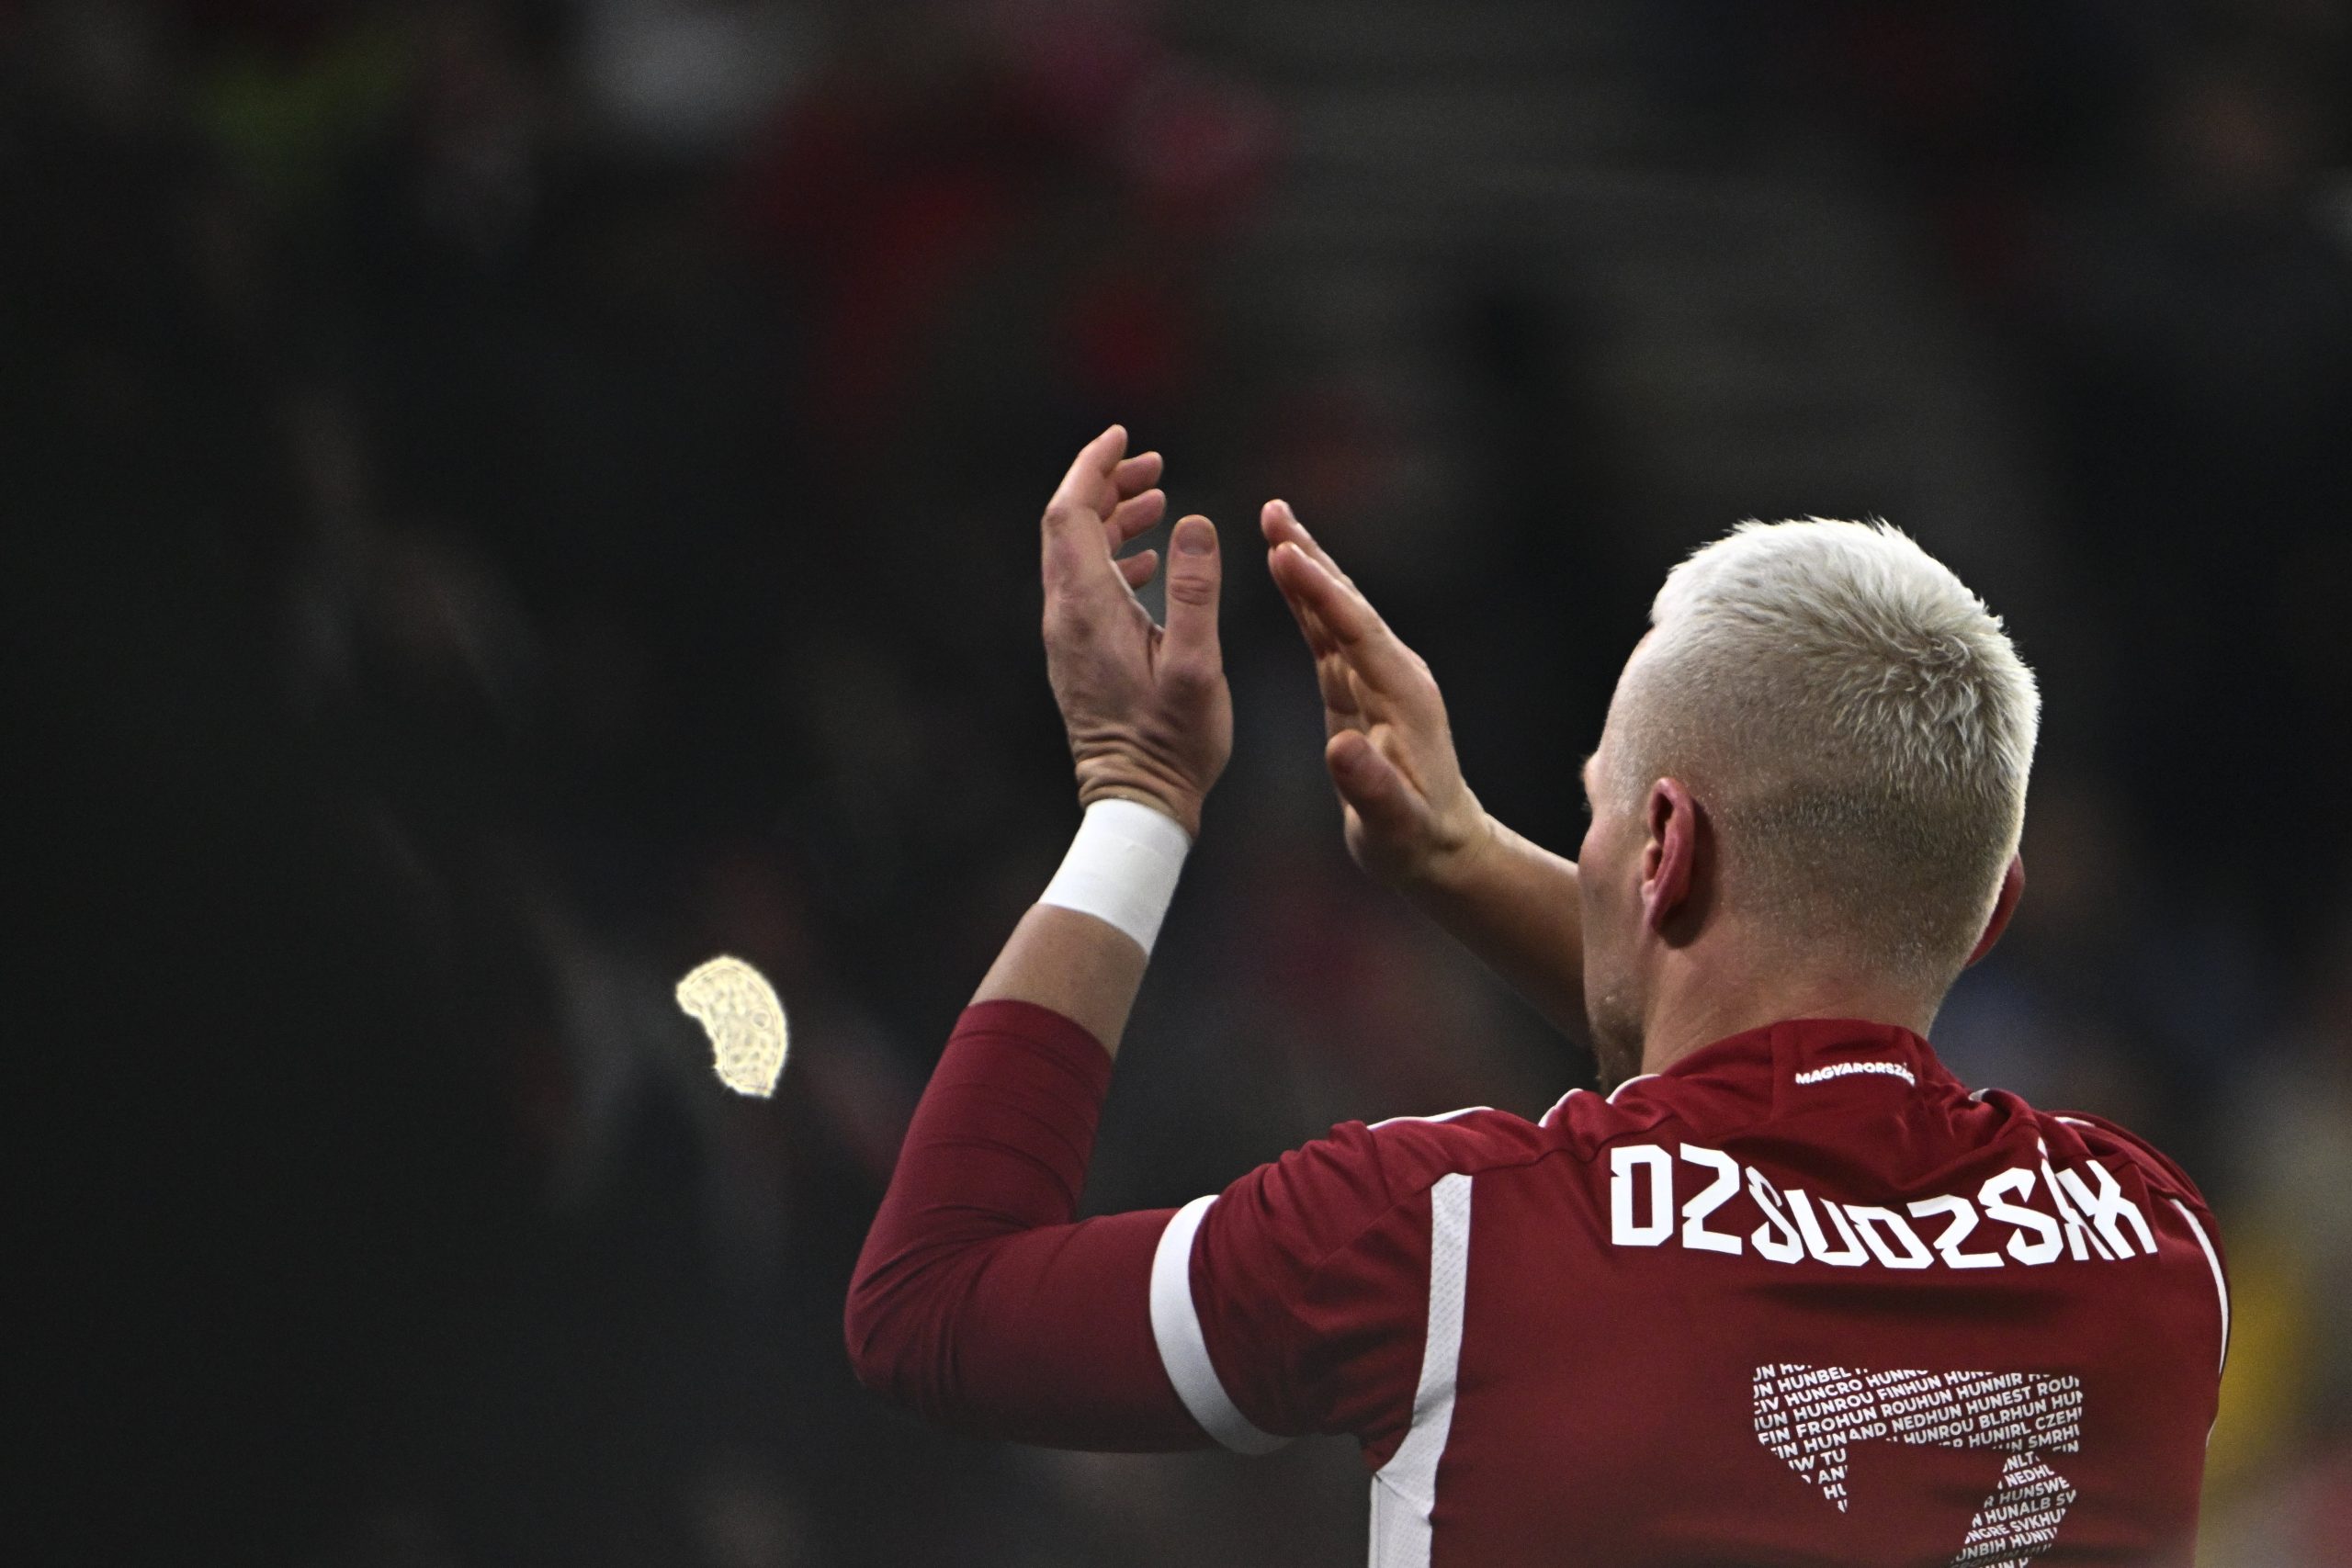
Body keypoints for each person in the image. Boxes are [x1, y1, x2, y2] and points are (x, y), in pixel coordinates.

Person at [844, 428, 2228, 1565]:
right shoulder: (2156, 1258)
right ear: (1991, 912)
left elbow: (934, 1303)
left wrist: (1137, 794)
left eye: (1598, 817)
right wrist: (1455, 856)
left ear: (1664, 846)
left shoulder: (1448, 1237)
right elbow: (1766, 1078)